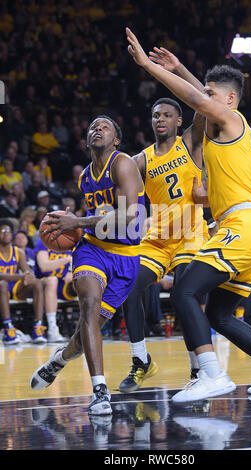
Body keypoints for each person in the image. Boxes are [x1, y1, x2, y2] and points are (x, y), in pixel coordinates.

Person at [125, 28, 251, 401]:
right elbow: (203, 97)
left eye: (212, 94)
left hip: (243, 226)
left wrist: (147, 66)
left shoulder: (233, 121)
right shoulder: (238, 131)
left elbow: (196, 99)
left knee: (186, 290)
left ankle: (210, 374)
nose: (204, 100)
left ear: (231, 99)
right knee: (220, 314)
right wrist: (182, 67)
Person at [30, 115, 145, 415]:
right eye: (92, 127)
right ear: (86, 140)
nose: (97, 129)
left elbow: (129, 215)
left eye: (105, 127)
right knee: (89, 307)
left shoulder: (123, 164)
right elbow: (96, 217)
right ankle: (100, 390)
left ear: (116, 139)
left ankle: (58, 361)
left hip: (127, 258)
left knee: (85, 335)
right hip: (92, 249)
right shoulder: (84, 177)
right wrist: (74, 227)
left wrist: (77, 221)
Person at [118, 96, 206, 393]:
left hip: (189, 235)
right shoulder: (140, 160)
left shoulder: (191, 141)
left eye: (167, 115)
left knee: (184, 294)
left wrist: (175, 72)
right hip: (156, 239)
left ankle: (197, 368)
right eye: (156, 115)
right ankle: (141, 360)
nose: (160, 119)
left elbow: (203, 104)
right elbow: (120, 190)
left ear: (179, 121)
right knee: (129, 288)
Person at [0, 219, 46, 345]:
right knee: (2, 284)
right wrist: (21, 277)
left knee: (36, 283)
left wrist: (28, 276)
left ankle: (38, 327)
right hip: (1, 289)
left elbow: (27, 272)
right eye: (2, 231)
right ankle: (8, 327)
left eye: (8, 231)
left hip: (15, 290)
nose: (6, 234)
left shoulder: (18, 252)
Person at [34, 236, 76, 342]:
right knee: (52, 280)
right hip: (42, 283)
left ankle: (84, 327)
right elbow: (44, 266)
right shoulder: (43, 241)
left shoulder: (70, 241)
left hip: (62, 284)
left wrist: (74, 274)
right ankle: (53, 329)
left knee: (82, 282)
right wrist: (66, 260)